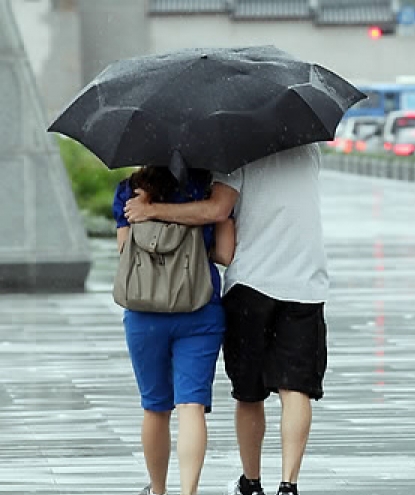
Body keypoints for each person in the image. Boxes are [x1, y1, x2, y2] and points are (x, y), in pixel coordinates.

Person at [123, 143, 328, 495]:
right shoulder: (308, 148)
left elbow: (218, 210)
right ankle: (288, 485)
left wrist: (153, 211)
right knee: (296, 389)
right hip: (305, 280)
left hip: (250, 281)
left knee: (249, 393)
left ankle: (251, 481)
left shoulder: (236, 153)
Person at [113, 166, 235, 495]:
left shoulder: (130, 191)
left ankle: (158, 490)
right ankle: (188, 491)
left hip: (144, 313)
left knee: (155, 406)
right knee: (191, 406)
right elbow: (225, 253)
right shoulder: (209, 189)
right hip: (199, 309)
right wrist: (194, 254)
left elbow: (125, 251)